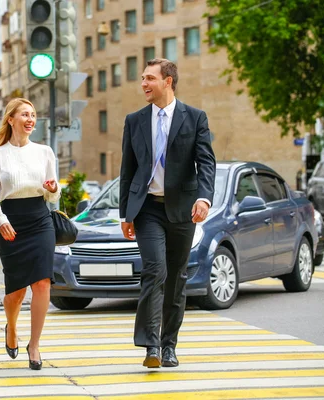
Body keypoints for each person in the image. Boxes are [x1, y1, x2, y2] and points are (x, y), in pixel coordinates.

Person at [119, 59, 215, 369]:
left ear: (168, 81)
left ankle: (170, 344)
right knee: (155, 271)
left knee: (176, 278)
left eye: (149, 78)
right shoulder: (134, 120)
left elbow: (206, 163)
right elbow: (127, 169)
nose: (143, 84)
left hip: (182, 209)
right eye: (143, 79)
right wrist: (125, 214)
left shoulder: (195, 118)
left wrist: (204, 198)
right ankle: (151, 346)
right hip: (146, 208)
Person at [0, 98, 60, 371]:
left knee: (42, 283)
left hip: (40, 219)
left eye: (33, 115)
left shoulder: (44, 151)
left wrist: (53, 187)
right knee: (16, 291)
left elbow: (53, 194)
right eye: (25, 115)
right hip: (10, 221)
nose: (31, 120)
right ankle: (11, 326)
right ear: (11, 119)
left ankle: (34, 344)